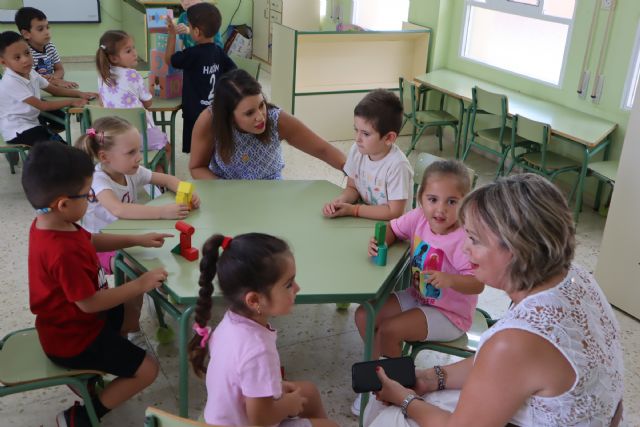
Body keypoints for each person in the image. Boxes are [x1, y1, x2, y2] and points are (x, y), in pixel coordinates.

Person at [364, 174, 624, 427]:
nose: (465, 248)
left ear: (516, 250)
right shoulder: (577, 277)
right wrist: (430, 378)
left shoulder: (514, 343)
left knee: (384, 419)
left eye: (475, 240)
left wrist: (405, 399)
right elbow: (504, 370)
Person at [22, 141, 171, 427]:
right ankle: (81, 417)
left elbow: (88, 240)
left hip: (69, 324)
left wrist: (135, 238)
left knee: (125, 311)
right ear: (64, 204)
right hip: (73, 339)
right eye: (87, 195)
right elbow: (89, 303)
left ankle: (98, 371)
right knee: (148, 370)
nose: (92, 198)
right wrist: (142, 283)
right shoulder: (61, 251)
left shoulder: (52, 222)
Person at [352, 160, 484, 416]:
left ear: (465, 204)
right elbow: (392, 228)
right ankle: (377, 374)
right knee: (364, 314)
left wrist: (450, 279)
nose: (440, 210)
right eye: (432, 199)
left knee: (390, 330)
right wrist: (380, 243)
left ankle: (392, 387)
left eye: (452, 202)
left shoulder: (464, 238)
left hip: (450, 314)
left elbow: (478, 283)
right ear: (420, 198)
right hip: (418, 297)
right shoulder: (418, 217)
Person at [190, 232, 338, 427]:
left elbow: (241, 381)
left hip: (224, 417)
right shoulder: (257, 349)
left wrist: (275, 390)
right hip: (249, 422)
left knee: (308, 391)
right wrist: (287, 405)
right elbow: (260, 420)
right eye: (288, 284)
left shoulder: (231, 321)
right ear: (254, 300)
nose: (297, 288)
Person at [189, 69, 346, 179]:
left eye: (261, 105)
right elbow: (197, 168)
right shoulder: (209, 120)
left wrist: (353, 171)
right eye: (249, 113)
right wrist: (227, 191)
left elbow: (323, 149)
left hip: (271, 192)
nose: (260, 117)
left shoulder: (276, 119)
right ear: (229, 116)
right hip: (224, 192)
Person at [323, 89, 412, 220]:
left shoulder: (398, 166)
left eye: (365, 134)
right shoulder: (357, 151)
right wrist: (340, 201)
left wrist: (354, 210)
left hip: (393, 228)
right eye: (356, 130)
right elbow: (352, 187)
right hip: (364, 219)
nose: (357, 138)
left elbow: (394, 213)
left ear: (389, 138)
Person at [0, 31, 96, 147]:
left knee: (61, 126)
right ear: (3, 62)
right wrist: (72, 101)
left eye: (27, 53)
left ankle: (46, 136)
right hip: (18, 130)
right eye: (17, 57)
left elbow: (54, 90)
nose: (25, 60)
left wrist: (80, 94)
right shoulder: (10, 81)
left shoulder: (31, 72)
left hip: (33, 120)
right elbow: (42, 106)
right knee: (59, 149)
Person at [165, 2, 236, 153]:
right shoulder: (219, 52)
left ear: (196, 32)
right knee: (213, 148)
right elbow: (233, 72)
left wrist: (171, 35)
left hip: (194, 114)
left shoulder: (191, 54)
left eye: (190, 27)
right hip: (216, 112)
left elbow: (169, 59)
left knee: (197, 151)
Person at [95, 30, 171, 170]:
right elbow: (148, 103)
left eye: (133, 48)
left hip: (110, 137)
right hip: (136, 135)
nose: (135, 53)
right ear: (114, 58)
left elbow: (102, 101)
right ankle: (158, 181)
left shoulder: (101, 76)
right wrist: (151, 91)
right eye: (128, 51)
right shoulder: (133, 75)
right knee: (167, 147)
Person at [14, 6, 78, 88]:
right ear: (26, 34)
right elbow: (30, 78)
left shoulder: (50, 46)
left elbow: (60, 69)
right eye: (40, 29)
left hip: (50, 86)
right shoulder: (25, 52)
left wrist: (54, 78)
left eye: (47, 27)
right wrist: (55, 82)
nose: (47, 32)